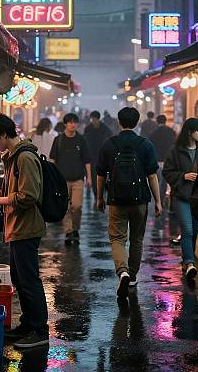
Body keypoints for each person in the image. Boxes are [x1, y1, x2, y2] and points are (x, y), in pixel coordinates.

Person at [0, 114, 48, 349]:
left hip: (26, 227)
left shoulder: (25, 157)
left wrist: (1, 200)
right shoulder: (12, 157)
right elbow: (13, 189)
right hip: (16, 226)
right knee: (19, 278)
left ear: (3, 135)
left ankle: (40, 331)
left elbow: (29, 196)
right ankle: (27, 325)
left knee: (29, 280)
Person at [96, 107, 163, 298]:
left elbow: (100, 174)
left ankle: (122, 271)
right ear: (137, 122)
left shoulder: (109, 144)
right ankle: (132, 276)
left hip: (116, 199)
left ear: (119, 122)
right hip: (140, 199)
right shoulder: (145, 144)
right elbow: (152, 176)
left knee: (117, 238)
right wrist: (158, 201)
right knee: (137, 239)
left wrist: (100, 197)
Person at [163, 118, 198, 281]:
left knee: (194, 230)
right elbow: (167, 172)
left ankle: (186, 260)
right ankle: (190, 262)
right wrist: (183, 176)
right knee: (187, 229)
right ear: (189, 132)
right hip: (181, 196)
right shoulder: (176, 150)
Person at [50, 112, 92, 245]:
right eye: (70, 122)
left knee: (77, 206)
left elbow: (87, 160)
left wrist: (89, 177)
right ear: (65, 124)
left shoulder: (81, 139)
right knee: (65, 207)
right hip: (62, 180)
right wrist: (52, 177)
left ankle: (76, 228)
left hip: (78, 178)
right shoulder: (59, 140)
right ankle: (68, 231)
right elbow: (53, 159)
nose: (73, 125)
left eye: (75, 122)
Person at [84, 110, 112, 201]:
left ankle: (101, 192)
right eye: (92, 119)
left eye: (95, 119)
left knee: (102, 174)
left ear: (98, 119)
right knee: (93, 175)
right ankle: (96, 193)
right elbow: (85, 141)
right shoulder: (88, 129)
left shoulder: (105, 128)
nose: (93, 121)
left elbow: (110, 138)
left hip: (103, 156)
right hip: (91, 156)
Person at [149, 115, 176, 203]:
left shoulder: (154, 133)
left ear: (157, 122)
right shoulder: (171, 131)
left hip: (158, 159)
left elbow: (151, 147)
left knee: (160, 180)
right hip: (170, 159)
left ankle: (159, 199)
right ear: (165, 121)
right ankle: (167, 197)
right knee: (167, 180)